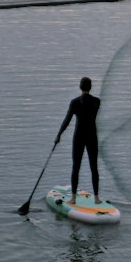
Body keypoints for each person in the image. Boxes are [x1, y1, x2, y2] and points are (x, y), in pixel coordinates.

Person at [56, 76, 101, 205]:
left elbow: (67, 120)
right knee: (94, 167)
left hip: (79, 137)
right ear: (90, 87)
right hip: (92, 137)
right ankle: (97, 198)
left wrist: (59, 134)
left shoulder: (75, 102)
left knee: (76, 167)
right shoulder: (97, 101)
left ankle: (74, 198)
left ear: (80, 87)